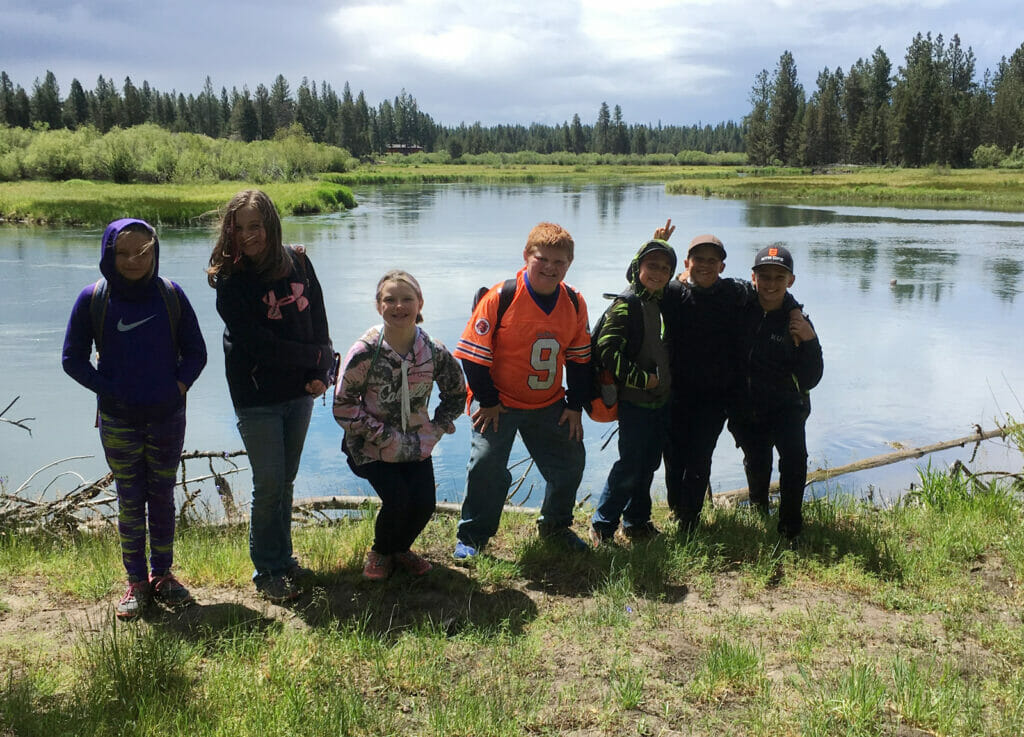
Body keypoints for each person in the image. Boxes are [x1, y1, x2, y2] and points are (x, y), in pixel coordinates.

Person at [62, 218, 207, 620]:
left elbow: (197, 352)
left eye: (142, 252)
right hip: (118, 419)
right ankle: (136, 583)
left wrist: (177, 388)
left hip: (167, 417)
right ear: (108, 253)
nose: (133, 260)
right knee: (130, 498)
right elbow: (71, 359)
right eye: (122, 252)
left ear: (154, 252)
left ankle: (163, 576)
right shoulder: (94, 299)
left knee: (161, 495)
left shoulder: (171, 296)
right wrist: (107, 389)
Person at [207, 189, 333, 603]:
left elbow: (317, 315)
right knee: (269, 483)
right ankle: (266, 571)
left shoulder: (298, 261)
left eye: (255, 226)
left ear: (271, 225)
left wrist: (322, 369)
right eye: (239, 228)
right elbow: (258, 344)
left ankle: (284, 560)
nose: (247, 236)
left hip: (299, 391)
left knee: (287, 480)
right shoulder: (230, 280)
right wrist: (312, 356)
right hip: (256, 394)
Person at [452, 222, 592, 558]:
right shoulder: (501, 297)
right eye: (542, 259)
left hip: (548, 402)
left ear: (569, 264)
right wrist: (488, 401)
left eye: (559, 262)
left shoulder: (573, 301)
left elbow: (579, 359)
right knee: (486, 464)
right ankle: (473, 537)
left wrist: (575, 404)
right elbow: (473, 358)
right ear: (526, 256)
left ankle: (555, 527)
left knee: (571, 461)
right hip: (497, 402)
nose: (550, 268)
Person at [657, 221, 801, 532]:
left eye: (712, 260)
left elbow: (773, 292)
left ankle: (690, 523)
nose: (705, 266)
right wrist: (657, 247)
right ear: (686, 263)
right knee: (674, 459)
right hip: (675, 393)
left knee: (699, 460)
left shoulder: (734, 292)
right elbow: (639, 283)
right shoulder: (672, 292)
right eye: (699, 259)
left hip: (714, 397)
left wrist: (796, 313)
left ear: (722, 265)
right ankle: (677, 510)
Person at [333, 270, 466, 580]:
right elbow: (343, 406)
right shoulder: (365, 351)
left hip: (417, 444)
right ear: (379, 306)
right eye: (389, 299)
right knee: (398, 499)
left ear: (420, 303)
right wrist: (382, 436)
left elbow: (457, 393)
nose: (398, 306)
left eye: (407, 299)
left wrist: (437, 428)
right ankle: (380, 553)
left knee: (424, 505)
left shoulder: (433, 351)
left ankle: (400, 549)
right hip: (368, 446)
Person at [729, 245, 823, 540]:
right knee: (756, 461)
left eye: (778, 278)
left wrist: (810, 341)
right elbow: (713, 288)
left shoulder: (798, 322)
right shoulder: (740, 307)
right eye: (764, 276)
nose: (771, 283)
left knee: (794, 462)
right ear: (753, 278)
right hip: (747, 407)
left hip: (788, 407)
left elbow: (811, 377)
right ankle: (759, 512)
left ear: (790, 281)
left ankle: (791, 528)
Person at [589, 239, 676, 546]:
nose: (658, 272)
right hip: (636, 402)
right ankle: (602, 526)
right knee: (629, 465)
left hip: (657, 403)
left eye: (665, 268)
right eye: (651, 265)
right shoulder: (627, 304)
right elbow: (606, 352)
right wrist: (644, 380)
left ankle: (636, 521)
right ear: (637, 267)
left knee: (648, 463)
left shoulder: (656, 300)